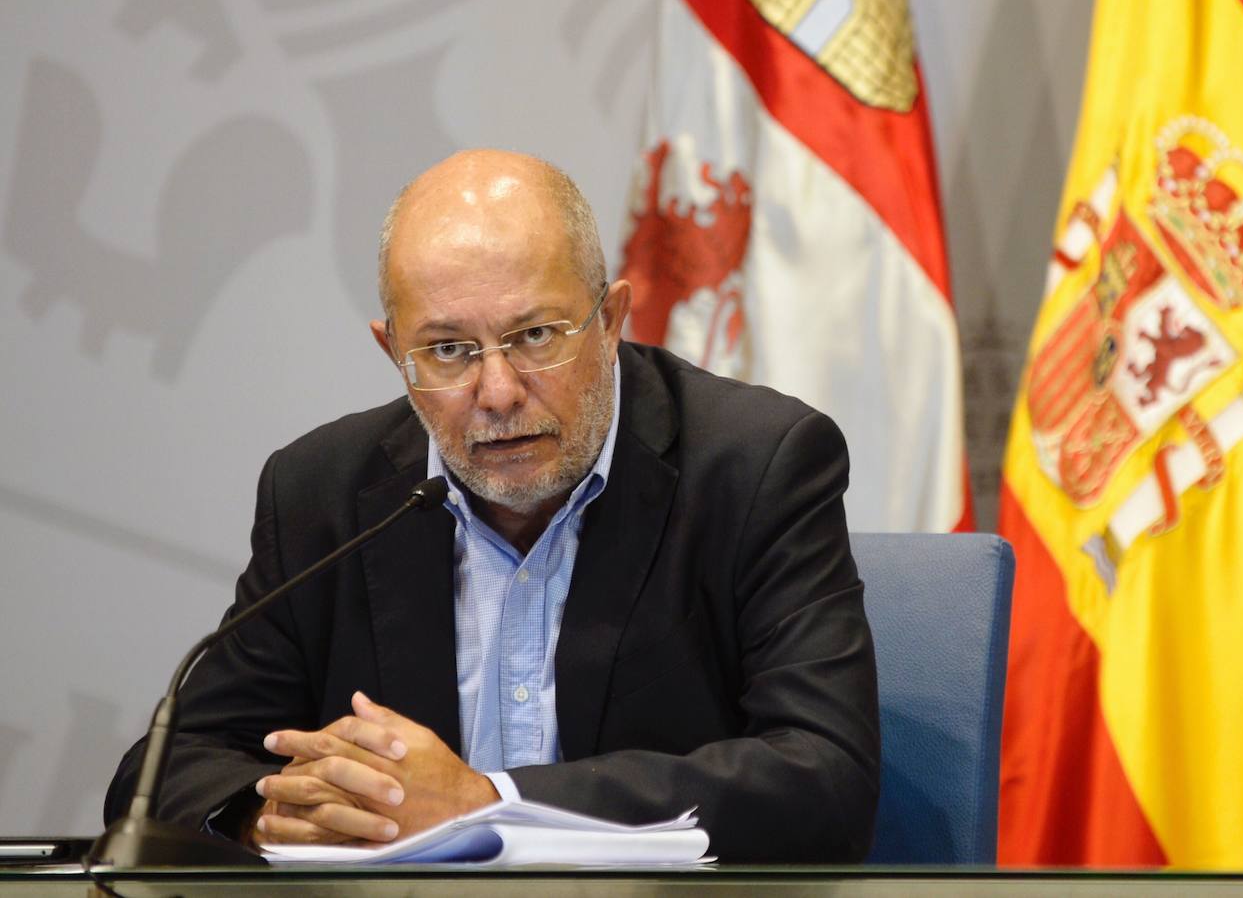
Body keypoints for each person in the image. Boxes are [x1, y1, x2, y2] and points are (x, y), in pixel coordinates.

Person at [105, 149, 880, 862]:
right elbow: (169, 767)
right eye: (448, 350)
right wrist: (266, 814)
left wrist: (489, 803)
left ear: (610, 320)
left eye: (537, 335)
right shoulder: (324, 492)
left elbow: (824, 774)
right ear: (393, 354)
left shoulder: (755, 465)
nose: (499, 393)